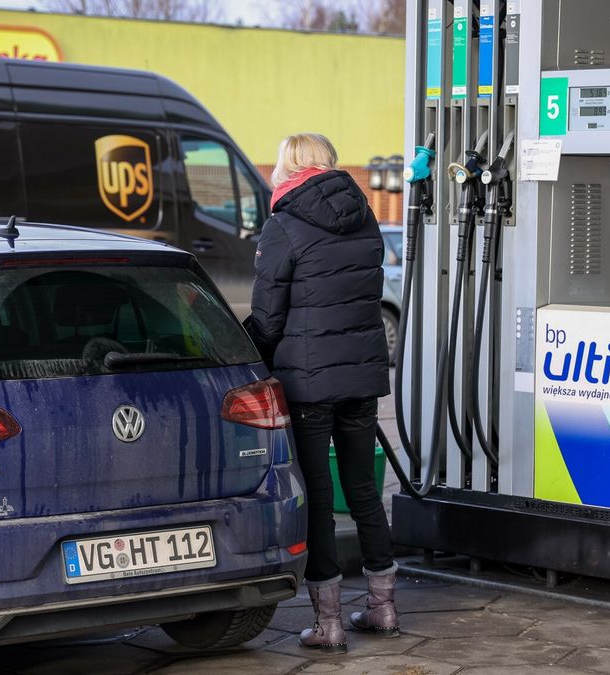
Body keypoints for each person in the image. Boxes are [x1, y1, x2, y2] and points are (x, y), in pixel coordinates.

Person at [245, 133, 395, 654]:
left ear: (288, 167)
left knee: (317, 498)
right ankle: (383, 607)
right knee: (363, 491)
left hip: (308, 383)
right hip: (361, 379)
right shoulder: (366, 217)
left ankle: (327, 623)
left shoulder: (284, 224)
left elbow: (267, 316)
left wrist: (250, 358)